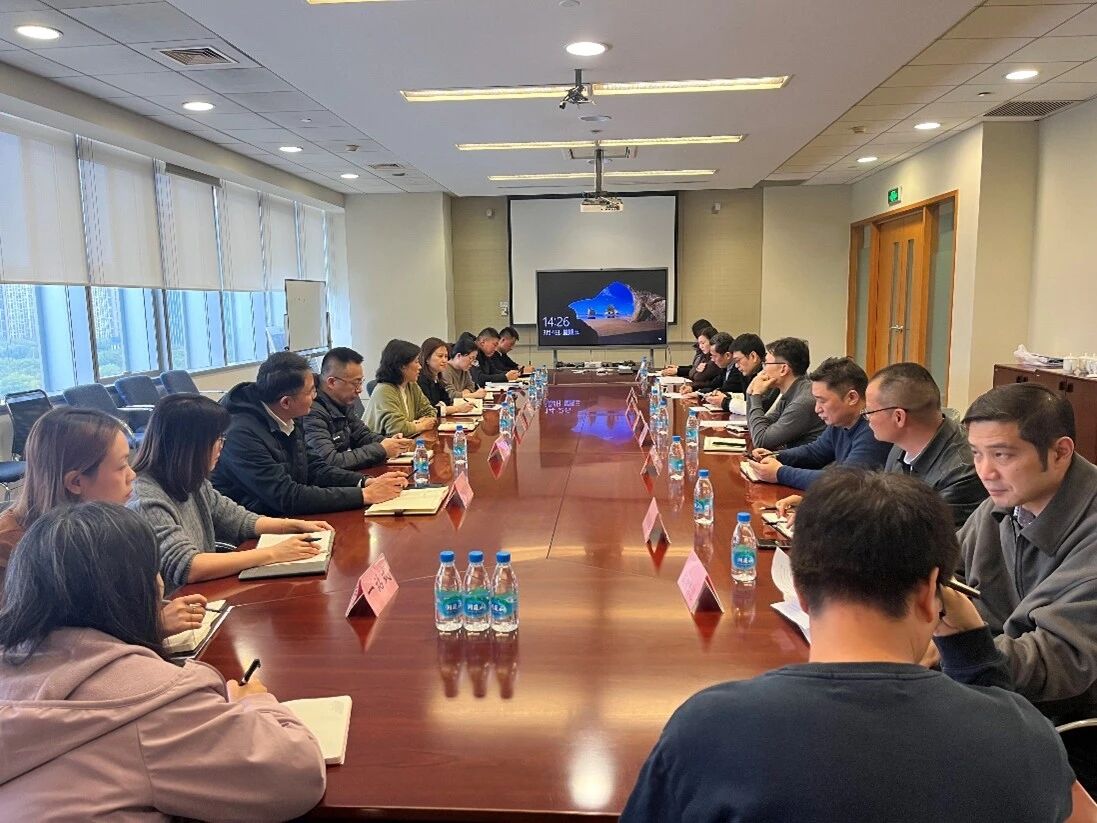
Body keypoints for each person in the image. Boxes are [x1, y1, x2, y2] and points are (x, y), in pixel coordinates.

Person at [621, 469, 1075, 823]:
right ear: (931, 594)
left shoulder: (710, 727)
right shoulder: (1025, 738)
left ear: (799, 588)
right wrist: (975, 653)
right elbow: (1010, 729)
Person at [0, 503, 326, 820]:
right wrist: (255, 702)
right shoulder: (149, 703)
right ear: (134, 589)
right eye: (154, 570)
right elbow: (297, 776)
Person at [954, 382, 1097, 790]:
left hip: (1066, 727)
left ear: (1061, 452)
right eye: (977, 453)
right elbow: (944, 569)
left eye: (1002, 454)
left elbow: (1058, 661)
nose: (985, 471)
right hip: (999, 694)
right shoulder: (1006, 503)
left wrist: (953, 647)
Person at [0, 407, 206, 635]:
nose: (132, 475)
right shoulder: (10, 548)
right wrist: (153, 627)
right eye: (121, 466)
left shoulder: (111, 525)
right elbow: (27, 647)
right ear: (76, 482)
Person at [131, 394, 338, 590]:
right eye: (217, 438)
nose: (222, 446)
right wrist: (274, 553)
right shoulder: (146, 498)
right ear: (191, 445)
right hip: (180, 604)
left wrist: (290, 526)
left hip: (201, 596)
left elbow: (236, 519)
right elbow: (188, 566)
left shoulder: (191, 480)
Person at [212, 351, 406, 516]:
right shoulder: (240, 434)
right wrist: (364, 495)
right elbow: (285, 496)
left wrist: (365, 482)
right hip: (253, 529)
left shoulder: (289, 414)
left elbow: (315, 467)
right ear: (286, 402)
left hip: (287, 515)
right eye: (311, 391)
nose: (316, 396)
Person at [865, 362, 986, 527]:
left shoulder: (961, 472)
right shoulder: (900, 445)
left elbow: (928, 536)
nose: (867, 418)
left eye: (869, 411)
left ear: (898, 417)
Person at [748, 357, 891, 489]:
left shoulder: (874, 430)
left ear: (852, 398)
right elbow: (815, 452)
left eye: (822, 401)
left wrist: (780, 473)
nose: (817, 409)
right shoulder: (841, 422)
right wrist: (776, 456)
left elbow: (845, 481)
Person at [304, 346, 412, 470]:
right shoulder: (310, 411)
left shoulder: (342, 401)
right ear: (332, 382)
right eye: (355, 383)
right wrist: (381, 449)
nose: (359, 390)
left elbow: (361, 435)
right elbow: (328, 462)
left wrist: (388, 442)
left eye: (361, 382)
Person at [744, 337, 824, 450]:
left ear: (783, 369)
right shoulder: (792, 391)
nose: (763, 371)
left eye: (766, 364)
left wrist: (756, 395)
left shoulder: (802, 402)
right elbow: (757, 428)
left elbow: (761, 441)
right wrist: (750, 393)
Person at [364, 339, 439, 437]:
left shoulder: (411, 385)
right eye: (416, 362)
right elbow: (397, 429)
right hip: (379, 444)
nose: (420, 367)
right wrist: (422, 425)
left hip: (405, 440)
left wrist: (419, 423)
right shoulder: (384, 390)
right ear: (402, 366)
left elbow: (430, 411)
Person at [706, 332, 778, 414]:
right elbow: (747, 398)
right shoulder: (748, 372)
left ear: (753, 356)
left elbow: (760, 409)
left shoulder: (769, 374)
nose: (736, 366)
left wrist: (725, 402)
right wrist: (728, 396)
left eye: (738, 360)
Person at [418, 337, 476, 416]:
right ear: (427, 358)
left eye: (446, 356)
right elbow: (429, 410)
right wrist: (457, 409)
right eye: (440, 356)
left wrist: (443, 407)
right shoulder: (421, 379)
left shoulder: (437, 378)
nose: (444, 360)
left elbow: (447, 400)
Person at [442, 336, 487, 402]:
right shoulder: (445, 369)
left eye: (474, 359)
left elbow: (471, 386)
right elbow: (450, 395)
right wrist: (474, 395)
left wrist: (464, 394)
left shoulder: (464, 369)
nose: (472, 363)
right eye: (471, 358)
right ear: (459, 356)